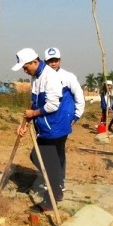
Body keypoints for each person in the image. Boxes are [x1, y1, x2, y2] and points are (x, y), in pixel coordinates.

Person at [12, 48, 71, 212]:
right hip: (44, 126)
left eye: (25, 66)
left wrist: (34, 113)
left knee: (48, 163)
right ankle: (57, 189)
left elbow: (53, 105)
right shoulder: (35, 77)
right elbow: (34, 102)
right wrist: (24, 123)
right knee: (38, 158)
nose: (24, 70)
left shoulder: (50, 77)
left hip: (55, 127)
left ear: (34, 62)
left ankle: (50, 201)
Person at [44, 47, 85, 190]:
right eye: (50, 61)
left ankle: (59, 181)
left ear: (59, 61)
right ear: (45, 62)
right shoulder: (42, 77)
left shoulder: (68, 77)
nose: (53, 63)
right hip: (47, 121)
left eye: (55, 60)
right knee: (47, 151)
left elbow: (79, 95)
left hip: (62, 120)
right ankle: (49, 179)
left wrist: (77, 115)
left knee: (58, 151)